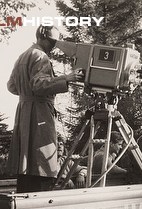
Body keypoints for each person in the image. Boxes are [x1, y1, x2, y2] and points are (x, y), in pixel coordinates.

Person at [7, 25, 84, 193]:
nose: (53, 46)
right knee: (43, 162)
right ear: (41, 38)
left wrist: (26, 95)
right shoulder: (40, 56)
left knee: (27, 166)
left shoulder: (22, 56)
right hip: (39, 113)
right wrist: (66, 78)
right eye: (51, 41)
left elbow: (12, 86)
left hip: (24, 112)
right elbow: (38, 84)